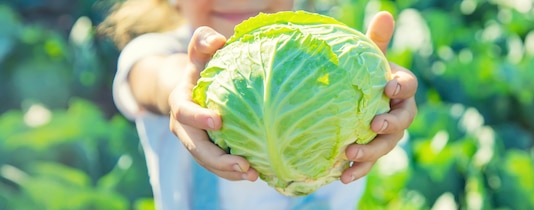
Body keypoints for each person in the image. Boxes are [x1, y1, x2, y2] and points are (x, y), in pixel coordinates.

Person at [100, 0, 418, 209]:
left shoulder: (335, 51)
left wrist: (378, 85)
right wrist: (185, 90)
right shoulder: (157, 53)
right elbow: (155, 78)